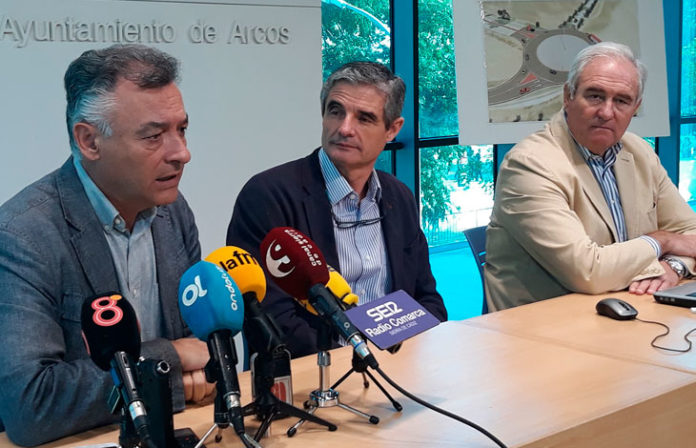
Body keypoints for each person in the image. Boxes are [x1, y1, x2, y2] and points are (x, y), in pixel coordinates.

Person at [0, 44, 214, 446]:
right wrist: (166, 361)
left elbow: (199, 354)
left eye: (181, 130)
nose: (182, 153)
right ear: (89, 141)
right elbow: (30, 405)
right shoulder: (22, 235)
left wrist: (186, 368)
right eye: (154, 136)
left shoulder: (173, 212)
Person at [227, 61, 447, 358]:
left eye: (364, 118)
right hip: (317, 371)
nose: (344, 128)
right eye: (335, 111)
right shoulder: (268, 195)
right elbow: (271, 321)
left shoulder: (399, 197)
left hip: (397, 364)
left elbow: (428, 300)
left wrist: (401, 357)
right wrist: (356, 359)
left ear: (392, 129)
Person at [485, 42, 696, 312]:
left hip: (630, 311)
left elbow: (690, 233)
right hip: (546, 325)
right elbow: (587, 270)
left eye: (621, 101)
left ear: (636, 107)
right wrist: (662, 241)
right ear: (568, 96)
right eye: (595, 96)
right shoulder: (529, 164)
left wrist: (675, 265)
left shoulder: (639, 152)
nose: (606, 112)